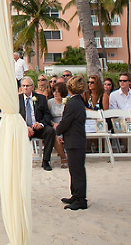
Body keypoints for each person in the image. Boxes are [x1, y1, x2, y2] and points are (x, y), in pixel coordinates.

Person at [56, 75, 87, 210]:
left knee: (77, 170)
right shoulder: (79, 102)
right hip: (77, 138)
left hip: (74, 140)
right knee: (75, 169)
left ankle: (80, 198)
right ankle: (75, 195)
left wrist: (57, 131)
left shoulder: (72, 104)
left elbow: (65, 122)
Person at [18, 76, 56, 170]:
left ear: (32, 87)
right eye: (23, 86)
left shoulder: (41, 98)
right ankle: (20, 162)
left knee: (50, 131)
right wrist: (24, 127)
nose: (25, 88)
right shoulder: (16, 99)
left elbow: (47, 115)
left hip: (37, 127)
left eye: (27, 86)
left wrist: (41, 124)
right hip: (22, 128)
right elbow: (14, 116)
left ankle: (46, 161)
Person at [48, 81, 69, 168]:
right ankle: (63, 158)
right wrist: (53, 124)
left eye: (58, 91)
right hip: (55, 124)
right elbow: (47, 117)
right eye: (54, 91)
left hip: (66, 123)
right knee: (55, 136)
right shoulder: (50, 102)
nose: (55, 93)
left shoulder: (67, 101)